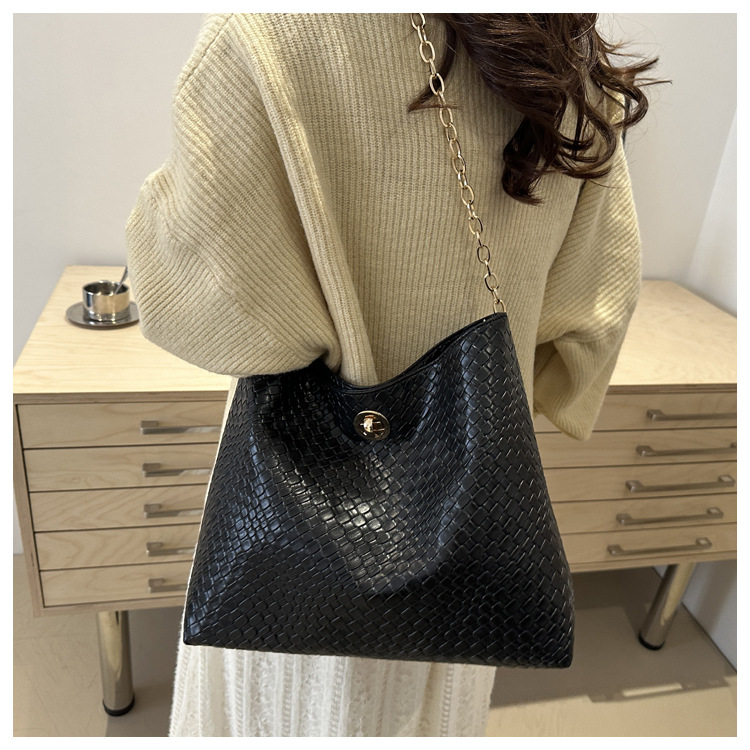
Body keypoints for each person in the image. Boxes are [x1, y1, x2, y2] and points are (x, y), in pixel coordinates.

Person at [126, 13, 657, 737]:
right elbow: (591, 317)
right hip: (466, 514)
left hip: (292, 513)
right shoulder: (563, 57)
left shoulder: (263, 32)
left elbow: (201, 306)